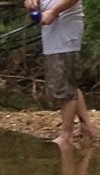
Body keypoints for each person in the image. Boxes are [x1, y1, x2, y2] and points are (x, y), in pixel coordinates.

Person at [24, 0, 94, 147]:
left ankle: (66, 136)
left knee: (65, 86)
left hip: (65, 31)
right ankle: (86, 127)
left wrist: (54, 12)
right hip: (51, 32)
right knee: (69, 81)